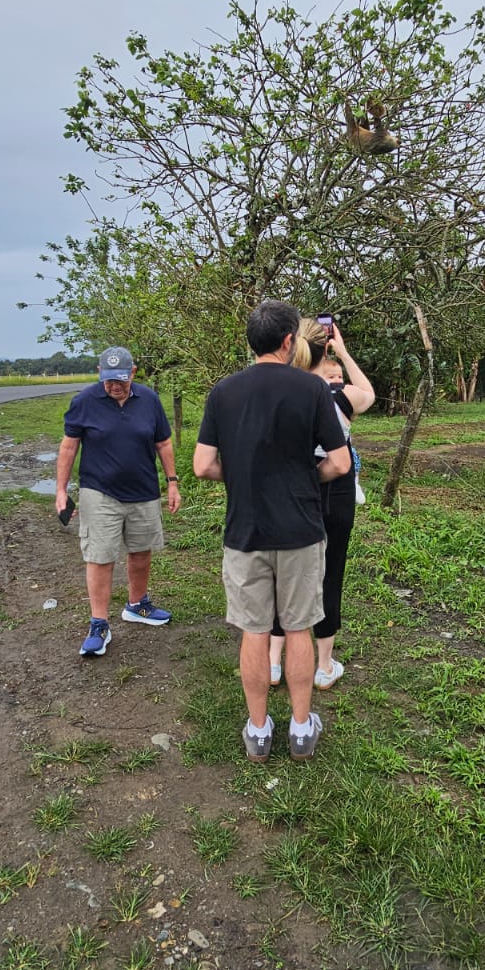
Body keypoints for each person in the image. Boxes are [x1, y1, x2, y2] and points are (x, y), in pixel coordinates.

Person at [192, 301, 350, 763]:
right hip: (301, 528)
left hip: (245, 532)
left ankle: (258, 731)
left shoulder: (223, 392)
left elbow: (203, 465)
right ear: (287, 342)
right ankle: (301, 729)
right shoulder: (312, 389)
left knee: (255, 632)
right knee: (299, 627)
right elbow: (339, 463)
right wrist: (306, 478)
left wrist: (242, 476)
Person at [269, 319, 374, 691]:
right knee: (330, 573)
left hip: (293, 490)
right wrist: (342, 351)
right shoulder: (341, 396)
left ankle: (272, 663)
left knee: (286, 574)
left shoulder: (283, 393)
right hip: (335, 491)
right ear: (324, 350)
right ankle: (324, 665)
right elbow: (369, 393)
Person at [55, 347, 181, 657]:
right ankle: (99, 623)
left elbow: (163, 443)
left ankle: (137, 604)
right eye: (108, 380)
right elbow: (69, 448)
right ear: (99, 372)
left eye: (121, 381)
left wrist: (173, 482)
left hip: (143, 491)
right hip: (100, 492)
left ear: (133, 373)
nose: (114, 386)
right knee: (100, 556)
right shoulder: (84, 402)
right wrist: (61, 491)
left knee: (140, 552)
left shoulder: (149, 400)